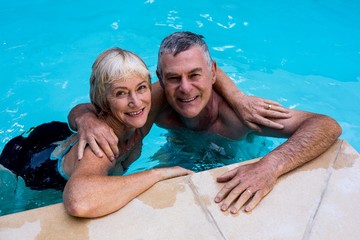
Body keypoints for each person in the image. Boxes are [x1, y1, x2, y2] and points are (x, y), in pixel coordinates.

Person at [70, 31, 342, 215]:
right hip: (175, 157)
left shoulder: (240, 116)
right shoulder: (149, 100)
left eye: (195, 75)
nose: (185, 89)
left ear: (212, 72)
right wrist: (85, 118)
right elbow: (97, 106)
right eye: (174, 78)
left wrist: (269, 167)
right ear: (160, 78)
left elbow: (325, 125)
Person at [0, 48, 193, 218]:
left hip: (55, 139)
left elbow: (206, 73)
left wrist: (83, 117)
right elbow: (78, 202)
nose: (136, 101)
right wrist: (158, 174)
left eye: (141, 88)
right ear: (103, 101)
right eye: (121, 93)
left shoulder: (137, 117)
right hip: (29, 165)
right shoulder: (102, 145)